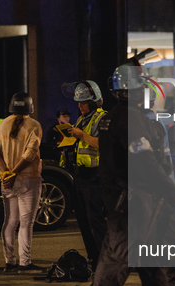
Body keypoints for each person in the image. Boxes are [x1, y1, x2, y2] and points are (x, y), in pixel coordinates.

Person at [79, 60, 175, 286]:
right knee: (118, 258)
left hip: (127, 200)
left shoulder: (112, 117)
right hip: (130, 203)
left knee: (151, 253)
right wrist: (174, 192)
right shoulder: (131, 120)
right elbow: (145, 162)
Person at [0, 92, 43, 273]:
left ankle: (9, 261)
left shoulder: (2, 124)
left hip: (7, 182)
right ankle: (25, 263)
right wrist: (14, 172)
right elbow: (30, 154)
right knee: (26, 222)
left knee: (10, 221)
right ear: (30, 107)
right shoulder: (34, 126)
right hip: (28, 179)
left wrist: (6, 172)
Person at [61, 80, 107, 270]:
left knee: (95, 219)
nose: (79, 106)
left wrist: (81, 136)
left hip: (95, 176)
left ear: (94, 101)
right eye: (78, 103)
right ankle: (94, 257)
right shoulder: (83, 119)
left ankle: (104, 259)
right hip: (81, 175)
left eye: (83, 102)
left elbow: (102, 144)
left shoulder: (102, 118)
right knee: (83, 218)